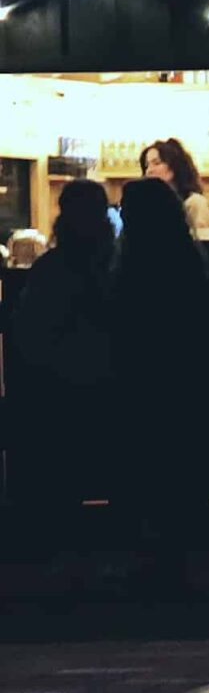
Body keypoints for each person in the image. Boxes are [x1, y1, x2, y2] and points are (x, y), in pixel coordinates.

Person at [7, 180, 116, 559]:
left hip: (57, 381)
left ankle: (59, 551)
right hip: (106, 381)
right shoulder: (118, 264)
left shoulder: (52, 267)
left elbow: (30, 329)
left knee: (60, 475)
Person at [110, 176, 209, 587]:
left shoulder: (135, 262)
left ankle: (151, 557)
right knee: (172, 466)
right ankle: (171, 558)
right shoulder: (185, 257)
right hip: (180, 377)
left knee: (145, 466)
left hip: (143, 378)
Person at [142, 139, 209, 236]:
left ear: (174, 166)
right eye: (147, 165)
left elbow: (204, 242)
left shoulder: (194, 204)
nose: (149, 171)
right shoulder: (152, 206)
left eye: (157, 163)